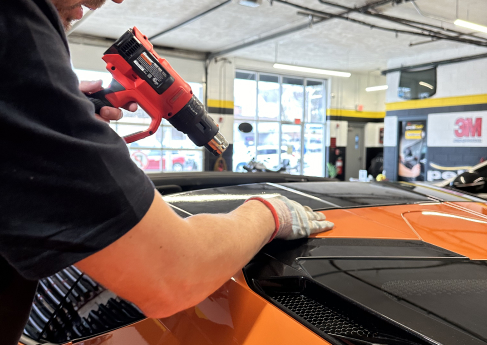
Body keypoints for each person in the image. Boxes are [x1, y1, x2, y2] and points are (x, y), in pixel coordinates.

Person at [0, 1, 334, 344]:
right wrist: (267, 213)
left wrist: (64, 113)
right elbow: (174, 275)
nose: (114, 0)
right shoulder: (14, 20)